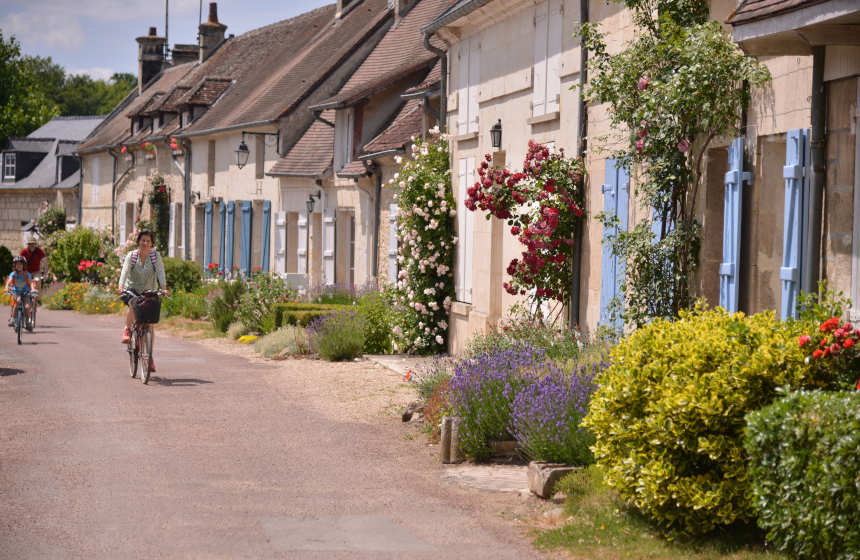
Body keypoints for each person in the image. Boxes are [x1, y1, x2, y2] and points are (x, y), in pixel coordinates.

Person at [118, 230, 169, 371]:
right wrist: (120, 286)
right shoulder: (132, 256)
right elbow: (125, 271)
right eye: (143, 240)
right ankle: (127, 330)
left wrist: (164, 288)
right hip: (132, 288)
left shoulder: (155, 256)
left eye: (148, 241)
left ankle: (149, 356)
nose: (145, 243)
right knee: (132, 306)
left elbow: (160, 272)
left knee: (150, 324)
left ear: (152, 243)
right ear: (138, 242)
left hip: (149, 289)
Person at [5, 256, 36, 327]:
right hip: (16, 292)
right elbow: (9, 281)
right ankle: (12, 319)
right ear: (14, 265)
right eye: (17, 264)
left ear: (24, 265)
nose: (19, 266)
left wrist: (33, 289)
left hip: (26, 293)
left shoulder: (26, 274)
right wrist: (6, 287)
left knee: (27, 307)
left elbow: (31, 283)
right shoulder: (13, 274)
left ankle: (27, 321)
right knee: (18, 301)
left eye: (20, 264)